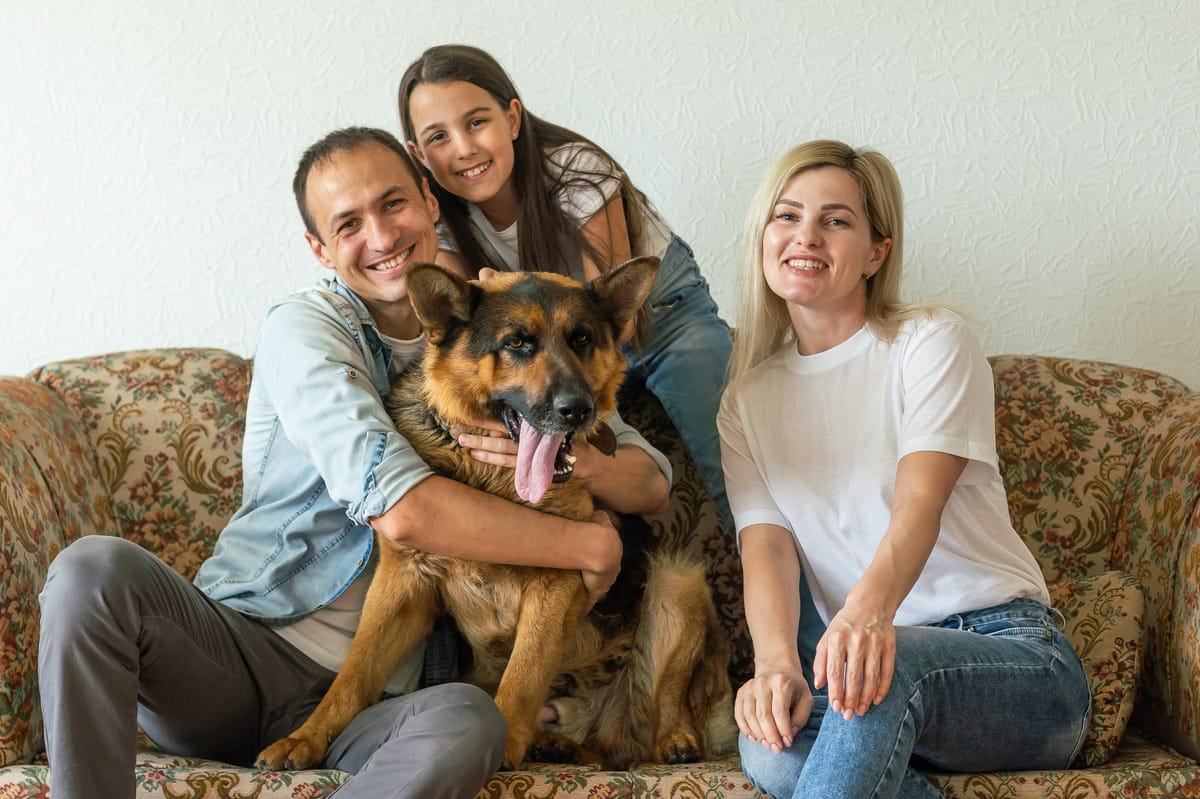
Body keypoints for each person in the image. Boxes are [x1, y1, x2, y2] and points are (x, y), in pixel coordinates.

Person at [37, 126, 672, 799]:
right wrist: (586, 543)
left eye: (394, 203)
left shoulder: (495, 321)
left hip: (382, 704)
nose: (382, 235)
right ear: (320, 248)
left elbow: (645, 469)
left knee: (471, 719)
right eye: (348, 223)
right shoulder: (307, 329)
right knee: (93, 567)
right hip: (239, 652)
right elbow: (403, 511)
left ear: (430, 202)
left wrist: (590, 472)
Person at [717, 140, 1092, 798]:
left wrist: (866, 617)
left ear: (875, 252)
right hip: (868, 673)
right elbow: (767, 549)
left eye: (836, 220)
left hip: (1015, 660)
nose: (806, 235)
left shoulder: (930, 342)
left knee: (883, 670)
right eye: (787, 215)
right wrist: (775, 666)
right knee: (769, 745)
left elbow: (919, 502)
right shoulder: (747, 399)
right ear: (763, 235)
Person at [396, 44, 734, 526]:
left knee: (733, 468)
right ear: (419, 155)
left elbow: (607, 313)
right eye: (438, 136)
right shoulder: (442, 228)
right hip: (564, 349)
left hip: (658, 318)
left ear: (512, 118)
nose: (463, 148)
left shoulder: (576, 170)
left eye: (476, 122)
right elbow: (464, 325)